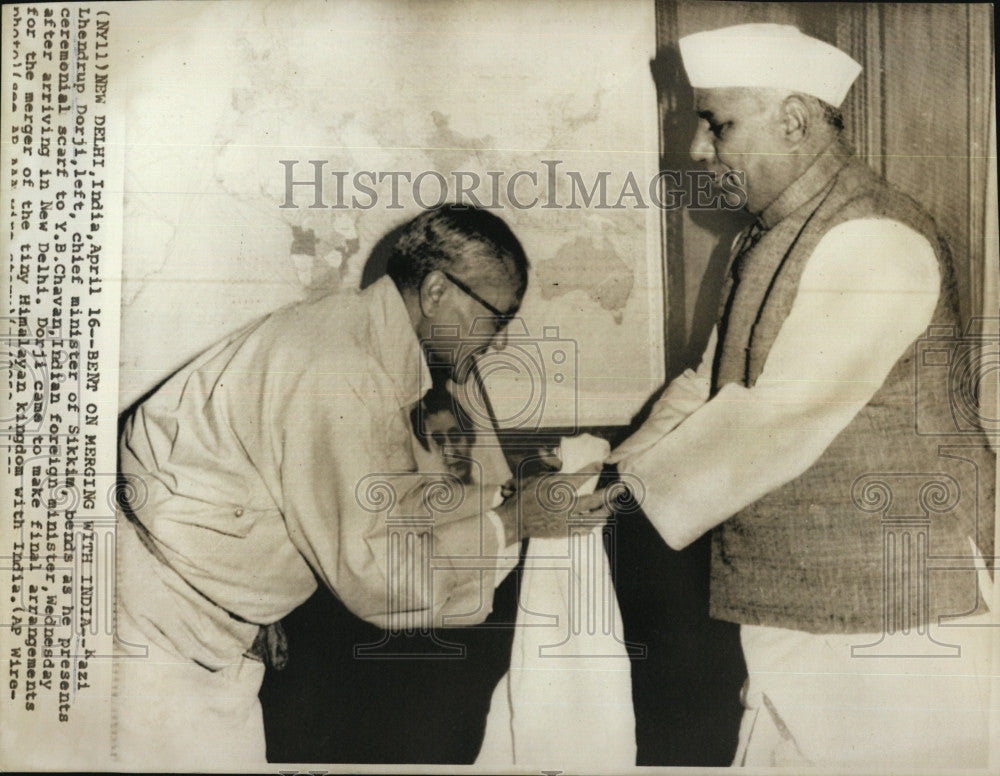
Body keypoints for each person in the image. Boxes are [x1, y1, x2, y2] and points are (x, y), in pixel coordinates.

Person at [600, 23, 995, 769]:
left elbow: (780, 418)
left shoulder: (871, 235)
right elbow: (709, 386)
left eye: (716, 123)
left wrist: (625, 495)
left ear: (793, 119)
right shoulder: (764, 238)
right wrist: (611, 475)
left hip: (892, 614)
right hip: (810, 608)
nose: (697, 149)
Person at [113, 205, 565, 768]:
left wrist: (501, 501)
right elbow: (377, 573)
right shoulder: (342, 369)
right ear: (435, 291)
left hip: (194, 614)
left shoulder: (358, 341)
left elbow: (388, 495)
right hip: (158, 627)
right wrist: (513, 523)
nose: (497, 342)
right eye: (498, 317)